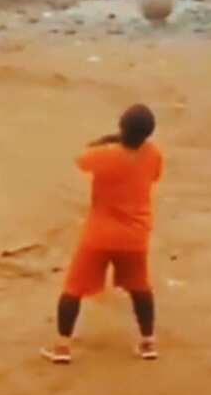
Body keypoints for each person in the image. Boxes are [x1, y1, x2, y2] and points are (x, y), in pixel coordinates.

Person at [42, 105, 163, 364]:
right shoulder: (153, 155)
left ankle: (63, 346)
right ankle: (148, 342)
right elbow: (153, 176)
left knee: (73, 289)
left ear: (122, 128)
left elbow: (80, 158)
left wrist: (108, 140)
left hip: (100, 234)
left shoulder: (105, 155)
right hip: (135, 235)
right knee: (140, 288)